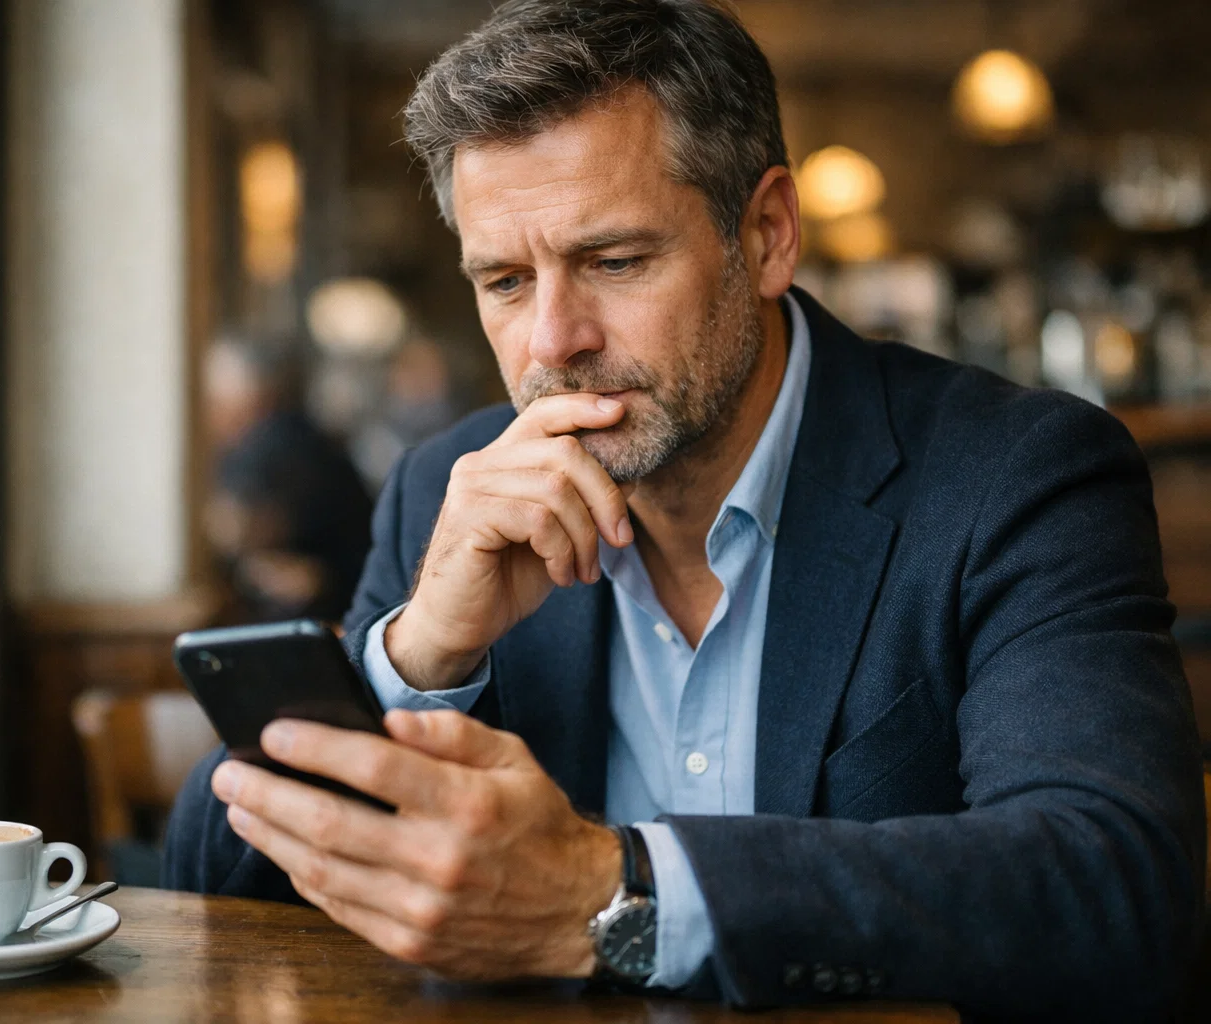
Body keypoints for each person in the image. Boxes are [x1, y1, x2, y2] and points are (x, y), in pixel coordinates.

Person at [164, 1, 1205, 1017]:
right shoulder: (451, 486)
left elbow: (1113, 885)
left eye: (614, 262)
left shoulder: (1015, 474)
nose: (551, 341)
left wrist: (613, 893)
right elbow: (212, 885)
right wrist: (421, 651)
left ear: (765, 236)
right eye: (505, 281)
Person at [203, 336, 373, 622]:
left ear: (253, 395)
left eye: (216, 398)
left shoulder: (276, 442)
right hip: (352, 609)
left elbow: (238, 528)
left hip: (318, 622)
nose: (211, 411)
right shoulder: (310, 438)